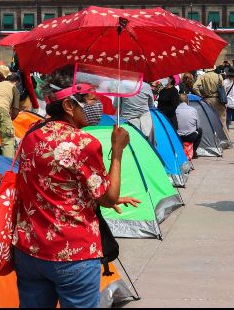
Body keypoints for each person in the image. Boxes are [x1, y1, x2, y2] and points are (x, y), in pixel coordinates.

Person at [13, 66, 140, 308]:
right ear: (69, 106)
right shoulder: (83, 143)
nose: (96, 105)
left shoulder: (33, 133)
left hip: (29, 249)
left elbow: (55, 184)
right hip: (72, 253)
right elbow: (107, 197)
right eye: (91, 99)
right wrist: (118, 152)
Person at [192, 67, 228, 141]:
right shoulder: (219, 76)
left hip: (207, 100)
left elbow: (195, 87)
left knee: (208, 121)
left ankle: (210, 140)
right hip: (218, 100)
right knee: (222, 121)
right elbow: (223, 90)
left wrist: (200, 95)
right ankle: (225, 139)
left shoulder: (202, 76)